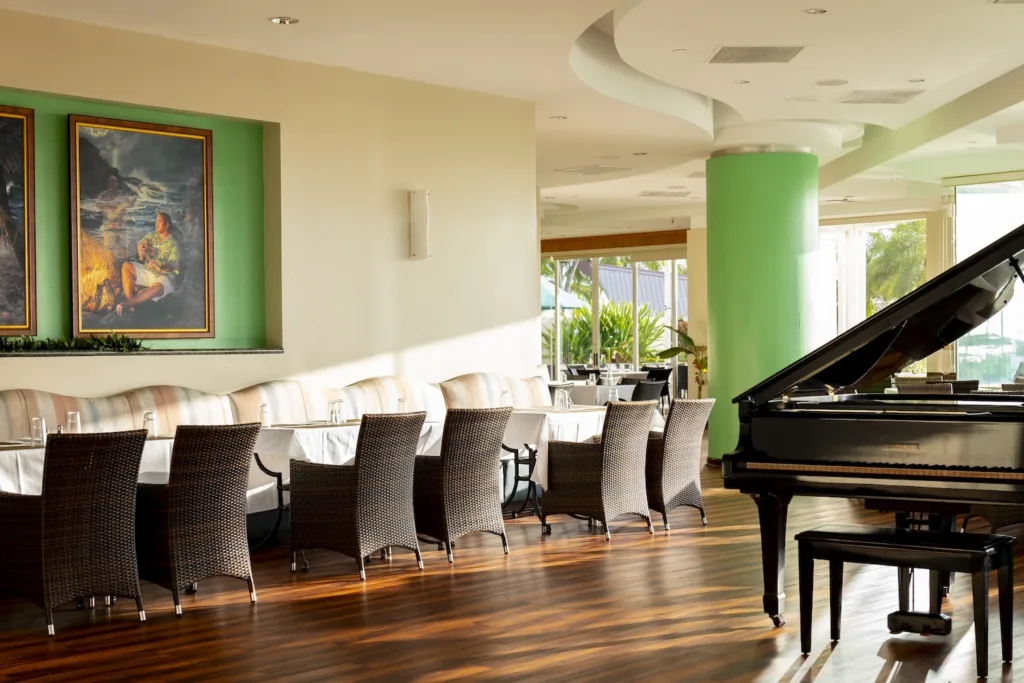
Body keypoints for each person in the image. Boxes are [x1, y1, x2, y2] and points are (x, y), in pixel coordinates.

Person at [116, 211, 180, 317]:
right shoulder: (152, 236)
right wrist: (141, 248)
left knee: (156, 288)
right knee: (126, 266)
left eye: (159, 221)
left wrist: (159, 266)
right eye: (156, 221)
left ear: (167, 224)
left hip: (165, 277)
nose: (156, 223)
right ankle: (131, 307)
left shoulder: (173, 244)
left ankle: (126, 304)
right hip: (149, 272)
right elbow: (141, 244)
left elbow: (173, 266)